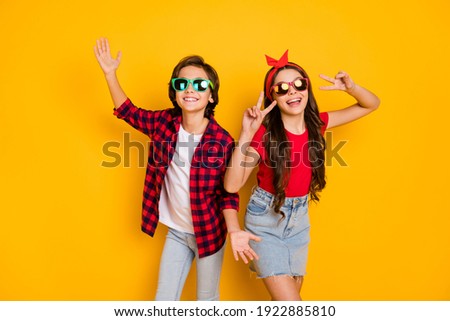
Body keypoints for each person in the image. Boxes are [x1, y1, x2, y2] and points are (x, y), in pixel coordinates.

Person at [94, 38, 245, 301]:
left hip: (209, 233)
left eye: (200, 85)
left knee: (207, 301)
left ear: (211, 95)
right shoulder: (163, 122)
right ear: (174, 91)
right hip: (177, 232)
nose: (190, 89)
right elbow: (128, 112)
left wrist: (234, 231)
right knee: (163, 301)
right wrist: (110, 74)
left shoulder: (222, 141)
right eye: (182, 83)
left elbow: (228, 193)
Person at [224, 50, 380, 300]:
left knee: (288, 305)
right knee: (292, 305)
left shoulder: (317, 124)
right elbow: (232, 185)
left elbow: (371, 104)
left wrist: (351, 88)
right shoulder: (264, 134)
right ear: (272, 97)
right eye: (282, 89)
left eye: (299, 84)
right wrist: (245, 134)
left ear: (307, 87)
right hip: (265, 222)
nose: (293, 92)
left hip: (299, 223)